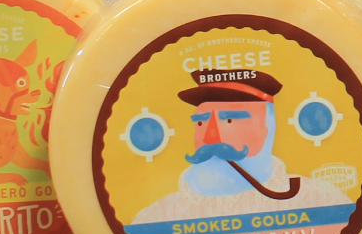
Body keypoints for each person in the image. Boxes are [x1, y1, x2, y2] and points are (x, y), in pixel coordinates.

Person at [129, 69, 349, 226]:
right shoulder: (155, 218)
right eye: (201, 122)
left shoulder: (325, 202)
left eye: (230, 120)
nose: (211, 136)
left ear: (267, 127)